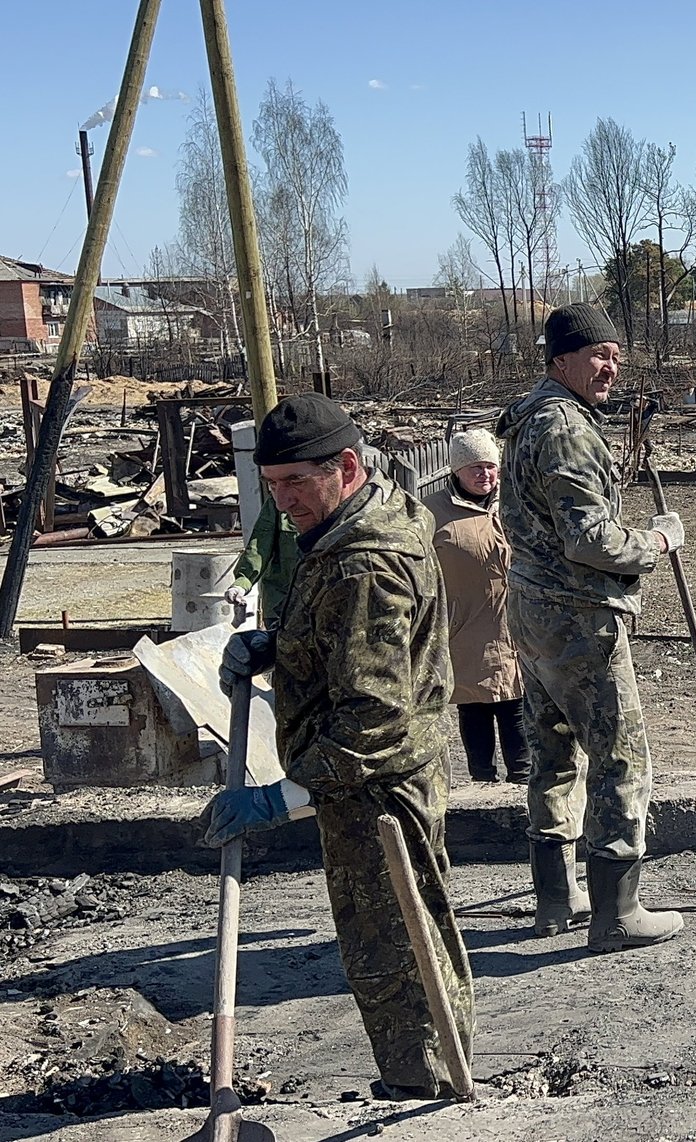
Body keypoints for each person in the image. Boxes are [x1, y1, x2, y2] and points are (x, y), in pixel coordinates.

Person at [203, 393, 473, 1098]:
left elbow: (372, 717)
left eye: (296, 483)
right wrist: (281, 647)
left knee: (394, 948)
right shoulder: (362, 517)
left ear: (346, 466)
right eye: (272, 486)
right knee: (400, 940)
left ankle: (427, 1092)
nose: (283, 502)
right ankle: (430, 1079)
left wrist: (280, 799)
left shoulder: (366, 564)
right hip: (373, 777)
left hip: (376, 791)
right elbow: (345, 643)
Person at [498, 301, 684, 951]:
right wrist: (656, 544)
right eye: (598, 355)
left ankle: (556, 899)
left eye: (615, 357)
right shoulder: (567, 428)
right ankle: (616, 915)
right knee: (620, 757)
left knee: (552, 752)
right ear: (561, 360)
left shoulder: (524, 420)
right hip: (578, 616)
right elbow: (590, 539)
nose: (610, 367)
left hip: (529, 608)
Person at [424, 428, 529, 785]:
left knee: (517, 703)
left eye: (490, 466)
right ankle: (482, 780)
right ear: (456, 471)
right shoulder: (432, 512)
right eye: (474, 468)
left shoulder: (517, 502)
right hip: (465, 625)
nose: (484, 475)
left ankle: (522, 781)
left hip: (515, 622)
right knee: (475, 706)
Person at [225, 496, 298, 624]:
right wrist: (242, 584)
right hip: (281, 606)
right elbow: (259, 546)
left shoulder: (341, 508)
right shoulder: (278, 503)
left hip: (328, 609)